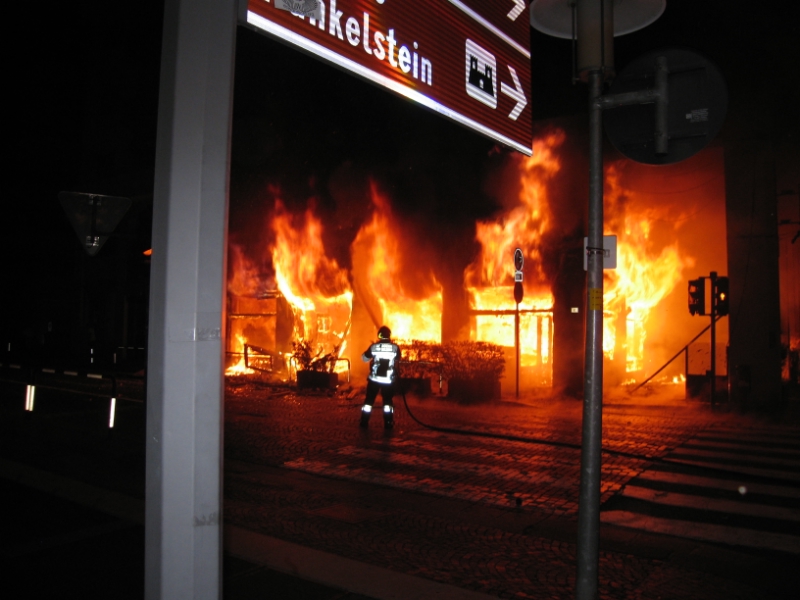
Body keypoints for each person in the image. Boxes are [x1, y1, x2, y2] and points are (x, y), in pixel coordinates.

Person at [360, 325, 400, 429]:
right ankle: (388, 423)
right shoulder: (395, 348)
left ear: (379, 335)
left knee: (369, 401)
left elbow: (364, 359)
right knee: (387, 402)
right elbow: (398, 358)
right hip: (388, 380)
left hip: (374, 380)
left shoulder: (374, 347)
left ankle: (364, 421)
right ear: (389, 335)